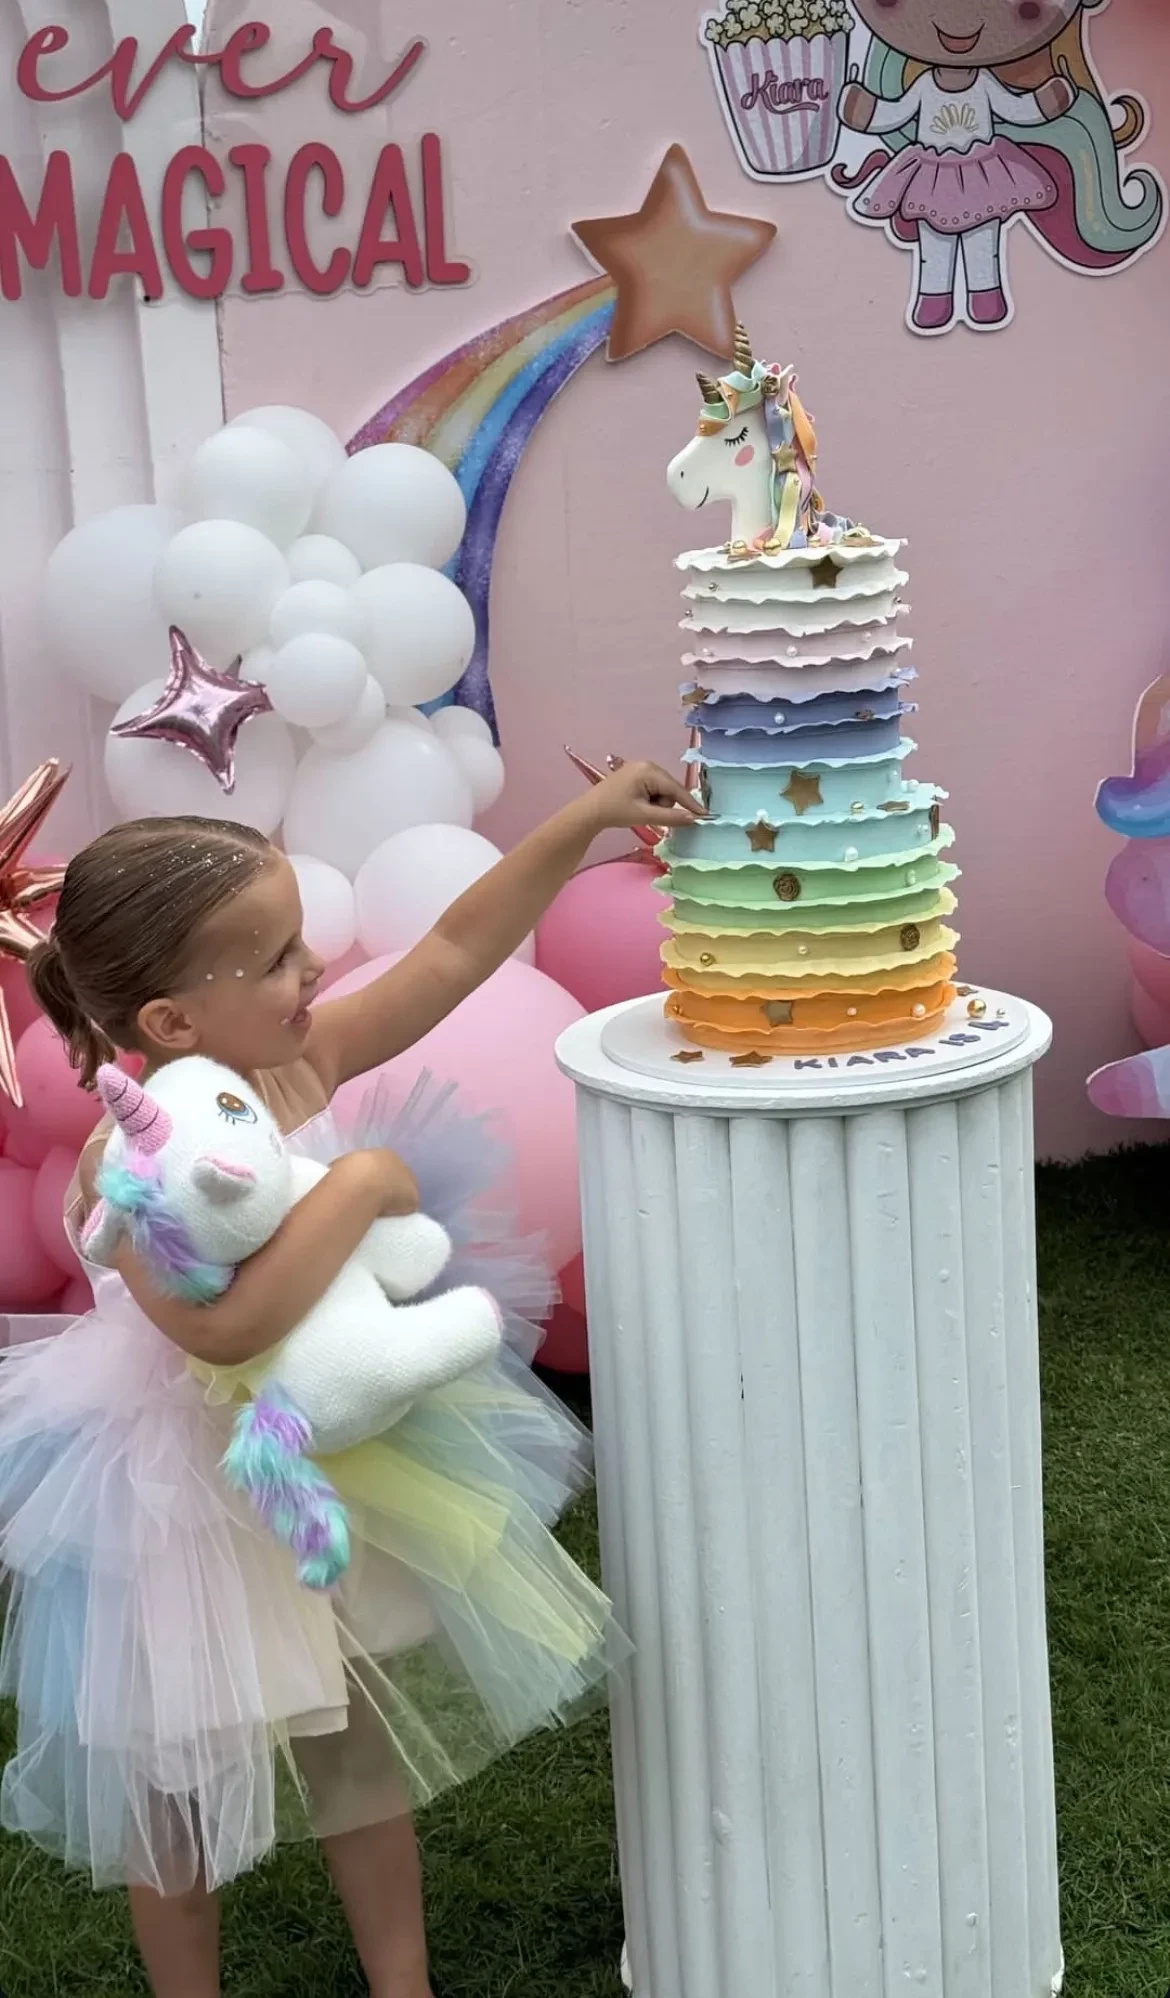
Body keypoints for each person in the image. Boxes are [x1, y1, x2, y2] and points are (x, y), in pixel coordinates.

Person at [0, 761, 700, 1998]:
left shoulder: (288, 1064)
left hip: (322, 1458)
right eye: (275, 959)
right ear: (172, 1022)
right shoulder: (129, 1161)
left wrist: (585, 818)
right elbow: (228, 1330)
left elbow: (453, 952)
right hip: (181, 1489)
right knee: (173, 1780)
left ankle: (403, 1983)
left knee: (354, 1733)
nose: (314, 969)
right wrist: (365, 1186)